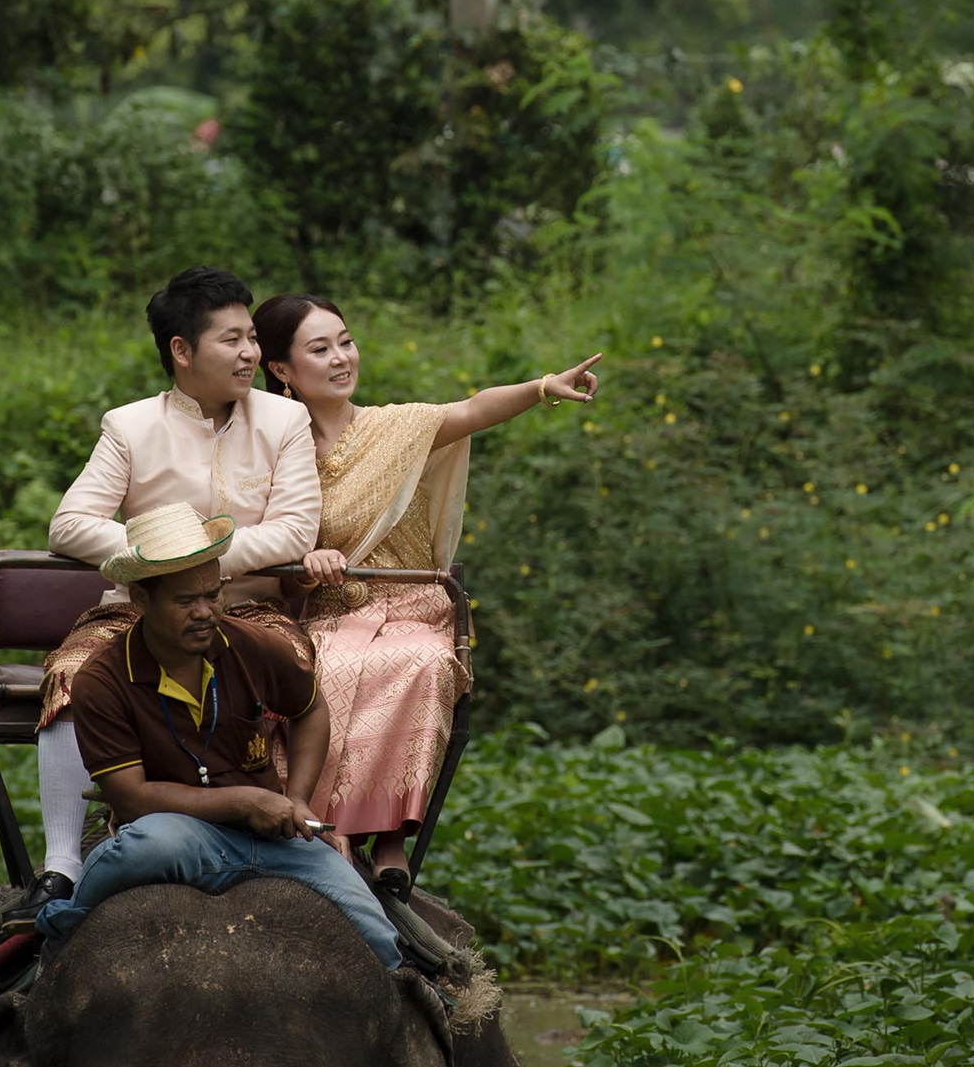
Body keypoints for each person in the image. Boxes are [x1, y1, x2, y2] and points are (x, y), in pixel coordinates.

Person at [252, 294, 599, 921]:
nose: (342, 358)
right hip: (327, 615)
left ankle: (388, 834)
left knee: (423, 662)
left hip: (412, 609)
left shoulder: (397, 427)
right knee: (317, 668)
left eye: (346, 341)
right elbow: (270, 557)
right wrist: (307, 564)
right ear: (281, 369)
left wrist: (543, 387)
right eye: (320, 349)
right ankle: (319, 827)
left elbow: (471, 409)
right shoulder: (275, 451)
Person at [31, 267, 322, 913]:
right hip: (141, 611)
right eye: (231, 339)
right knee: (74, 670)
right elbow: (69, 524)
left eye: (252, 337)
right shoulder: (131, 425)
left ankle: (291, 823)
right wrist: (162, 565)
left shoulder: (285, 419)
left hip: (249, 608)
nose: (249, 353)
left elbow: (297, 529)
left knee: (285, 665)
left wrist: (201, 563)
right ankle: (62, 863)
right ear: (182, 350)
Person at [32, 504, 402, 974]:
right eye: (186, 601)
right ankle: (59, 935)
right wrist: (244, 802)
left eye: (213, 595)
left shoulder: (252, 645)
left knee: (377, 937)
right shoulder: (100, 680)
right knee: (144, 847)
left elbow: (309, 709)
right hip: (175, 835)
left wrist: (298, 798)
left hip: (272, 840)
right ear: (140, 599)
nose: (205, 613)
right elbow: (131, 797)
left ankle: (420, 993)